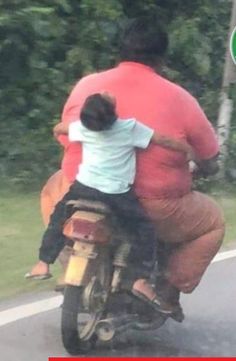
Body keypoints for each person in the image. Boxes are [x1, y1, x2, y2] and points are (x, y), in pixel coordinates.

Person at [39, 16, 225, 316]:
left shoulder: (87, 85)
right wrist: (203, 167)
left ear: (120, 52)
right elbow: (209, 157)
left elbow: (68, 140)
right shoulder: (181, 98)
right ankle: (166, 291)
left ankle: (69, 258)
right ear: (161, 59)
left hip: (80, 191)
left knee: (53, 188)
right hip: (157, 206)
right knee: (213, 222)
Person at [26, 92, 194, 315]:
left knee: (59, 218)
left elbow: (60, 128)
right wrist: (188, 150)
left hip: (83, 188)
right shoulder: (129, 128)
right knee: (144, 231)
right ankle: (140, 279)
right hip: (116, 195)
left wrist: (59, 129)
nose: (107, 93)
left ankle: (43, 263)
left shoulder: (84, 128)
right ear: (113, 114)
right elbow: (163, 140)